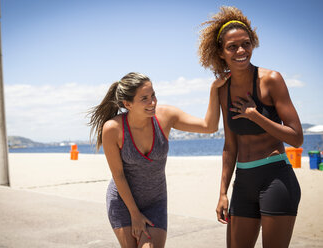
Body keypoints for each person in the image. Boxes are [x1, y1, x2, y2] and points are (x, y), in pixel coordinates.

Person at [197, 6, 303, 248]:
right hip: (243, 181)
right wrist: (222, 192)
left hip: (276, 177)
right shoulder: (223, 89)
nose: (241, 51)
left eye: (246, 43)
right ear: (221, 52)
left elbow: (297, 138)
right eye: (232, 47)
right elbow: (230, 145)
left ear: (253, 43)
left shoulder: (271, 80)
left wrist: (256, 116)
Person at [88, 72, 227, 247]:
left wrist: (214, 89)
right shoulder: (113, 129)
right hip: (123, 202)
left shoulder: (165, 116)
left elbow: (210, 126)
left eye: (153, 95)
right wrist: (135, 214)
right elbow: (118, 175)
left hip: (155, 202)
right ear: (127, 104)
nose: (152, 102)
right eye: (144, 98)